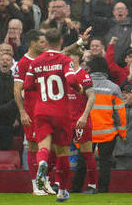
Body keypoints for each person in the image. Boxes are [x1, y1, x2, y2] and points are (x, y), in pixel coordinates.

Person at [24, 28, 81, 202]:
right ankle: (63, 191)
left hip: (41, 110)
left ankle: (42, 163)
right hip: (61, 111)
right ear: (61, 42)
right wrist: (78, 88)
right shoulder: (65, 60)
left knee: (43, 146)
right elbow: (71, 80)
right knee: (62, 151)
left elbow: (27, 85)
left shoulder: (35, 62)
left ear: (46, 42)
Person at [13, 29, 54, 195]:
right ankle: (35, 184)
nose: (45, 45)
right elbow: (17, 90)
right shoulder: (23, 63)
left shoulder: (46, 59)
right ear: (32, 43)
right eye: (42, 42)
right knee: (33, 146)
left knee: (49, 147)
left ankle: (45, 181)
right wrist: (22, 112)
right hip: (32, 112)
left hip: (49, 110)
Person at [87, 56, 126, 193]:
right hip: (108, 133)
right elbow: (120, 113)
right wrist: (122, 133)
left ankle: (77, 188)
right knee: (105, 163)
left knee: (83, 162)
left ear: (90, 68)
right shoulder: (114, 87)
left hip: (88, 132)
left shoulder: (84, 84)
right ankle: (103, 189)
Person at [65, 46, 98, 195]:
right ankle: (58, 184)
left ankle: (92, 185)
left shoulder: (83, 75)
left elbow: (91, 96)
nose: (70, 59)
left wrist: (84, 116)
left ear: (78, 58)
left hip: (80, 120)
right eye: (68, 56)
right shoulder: (64, 75)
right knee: (60, 152)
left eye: (73, 56)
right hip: (66, 120)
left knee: (86, 153)